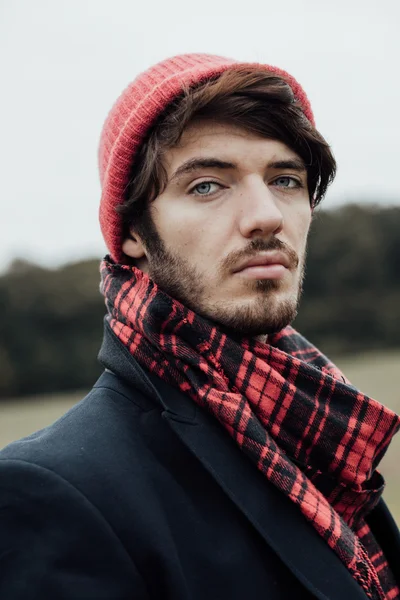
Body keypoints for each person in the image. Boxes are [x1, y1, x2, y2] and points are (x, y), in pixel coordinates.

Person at [0, 53, 399, 600]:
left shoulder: (324, 430)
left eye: (285, 179)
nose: (266, 216)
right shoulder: (49, 491)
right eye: (207, 186)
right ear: (134, 233)